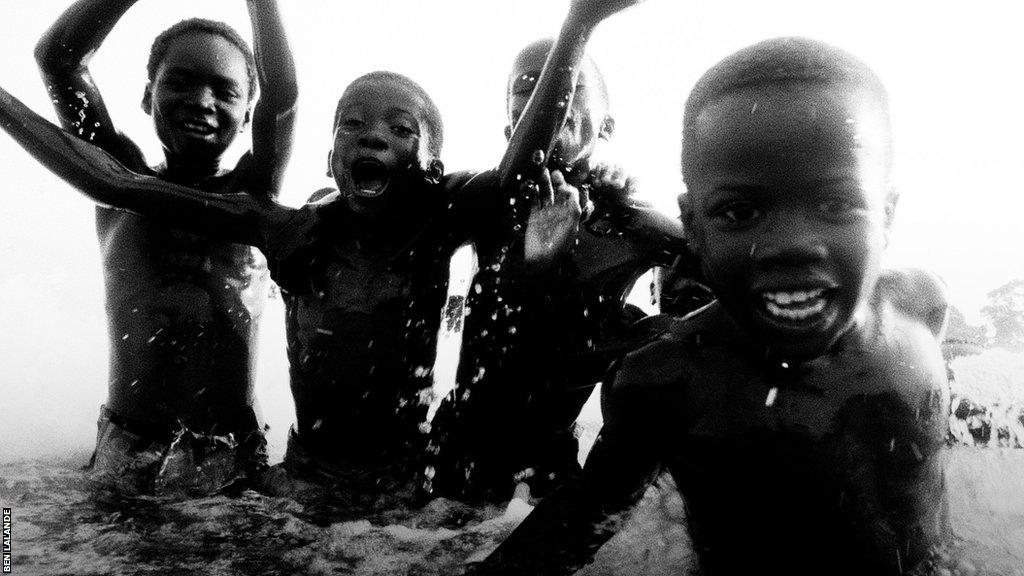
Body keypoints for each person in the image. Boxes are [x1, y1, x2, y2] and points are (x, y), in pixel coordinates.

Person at [0, 0, 642, 508]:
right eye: (354, 128)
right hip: (163, 452)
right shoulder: (268, 220)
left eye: (399, 130)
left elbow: (511, 179)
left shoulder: (372, 216)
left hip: (262, 459)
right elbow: (110, 174)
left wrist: (578, 28)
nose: (373, 138)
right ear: (329, 155)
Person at [470, 37, 950, 576]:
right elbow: (566, 534)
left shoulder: (920, 306)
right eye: (740, 212)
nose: (792, 243)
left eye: (836, 204)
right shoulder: (665, 383)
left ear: (886, 213)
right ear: (692, 225)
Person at [427, 37, 708, 502]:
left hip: (548, 471)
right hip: (455, 461)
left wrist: (644, 329)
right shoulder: (488, 204)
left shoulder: (631, 229)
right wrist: (536, 265)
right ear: (511, 129)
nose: (549, 96)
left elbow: (725, 269)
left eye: (570, 84)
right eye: (527, 88)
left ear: (607, 125)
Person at [32, 0, 296, 496]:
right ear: (147, 94)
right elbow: (59, 61)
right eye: (179, 81)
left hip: (231, 452)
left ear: (246, 118)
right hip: (127, 448)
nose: (201, 100)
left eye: (225, 90)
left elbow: (282, 97)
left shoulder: (254, 194)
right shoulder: (114, 178)